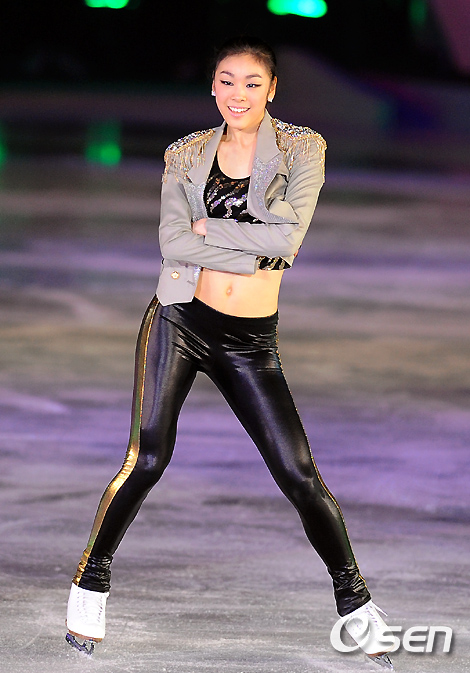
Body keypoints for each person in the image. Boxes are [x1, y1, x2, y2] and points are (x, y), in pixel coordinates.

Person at [65, 36, 393, 669]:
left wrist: (209, 229)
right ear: (212, 85)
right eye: (225, 80)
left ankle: (355, 603)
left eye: (251, 83)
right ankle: (90, 581)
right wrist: (246, 242)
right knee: (148, 458)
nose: (237, 94)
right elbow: (173, 244)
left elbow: (287, 241)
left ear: (272, 89)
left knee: (299, 475)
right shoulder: (186, 154)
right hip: (179, 320)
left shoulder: (302, 148)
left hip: (250, 341)